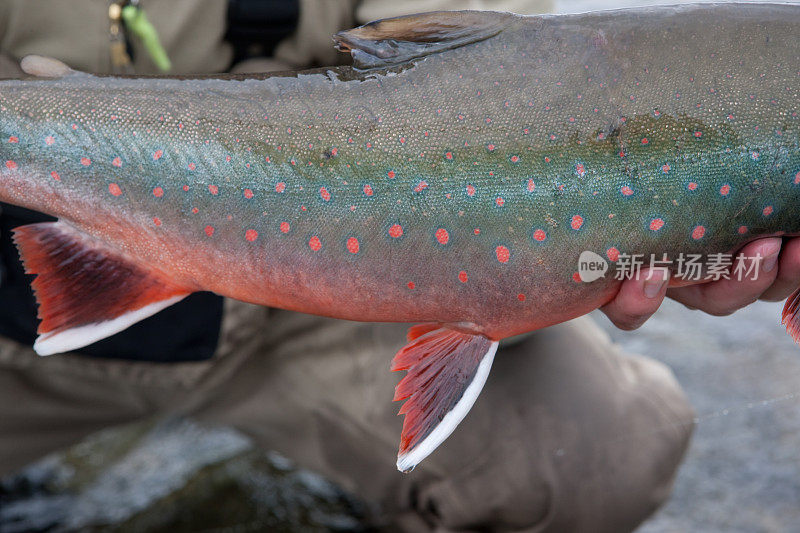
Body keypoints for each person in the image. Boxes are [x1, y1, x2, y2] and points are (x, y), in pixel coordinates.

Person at [1, 1, 797, 531]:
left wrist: (636, 246)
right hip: (11, 318)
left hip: (312, 315)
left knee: (607, 444)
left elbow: (515, 83)